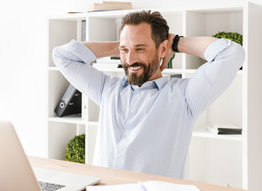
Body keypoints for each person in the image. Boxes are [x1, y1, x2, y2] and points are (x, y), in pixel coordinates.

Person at [52, 10, 245, 178]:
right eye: (125, 50)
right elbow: (61, 56)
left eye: (140, 49)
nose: (130, 59)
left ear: (162, 49)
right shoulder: (107, 89)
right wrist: (120, 45)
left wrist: (176, 42)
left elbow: (232, 53)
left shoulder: (185, 96)